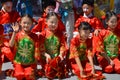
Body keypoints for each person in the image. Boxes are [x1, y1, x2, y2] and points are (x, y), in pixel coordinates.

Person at [9, 14, 39, 80]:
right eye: (24, 23)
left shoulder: (35, 36)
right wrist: (14, 32)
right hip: (19, 62)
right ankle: (18, 70)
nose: (26, 25)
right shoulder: (17, 35)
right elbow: (11, 45)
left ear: (32, 24)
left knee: (29, 76)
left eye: (28, 23)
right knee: (19, 75)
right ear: (20, 23)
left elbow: (36, 52)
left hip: (30, 63)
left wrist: (35, 65)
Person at [39, 12, 68, 79]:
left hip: (56, 58)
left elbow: (62, 45)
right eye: (51, 22)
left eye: (56, 22)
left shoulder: (60, 34)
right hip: (46, 59)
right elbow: (40, 48)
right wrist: (46, 55)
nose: (54, 24)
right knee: (49, 72)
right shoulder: (43, 34)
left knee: (59, 72)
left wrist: (60, 55)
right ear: (46, 21)